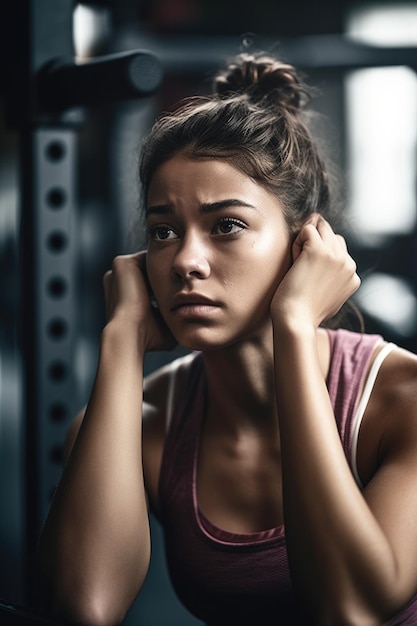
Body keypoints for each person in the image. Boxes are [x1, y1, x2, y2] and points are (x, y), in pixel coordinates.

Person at [38, 52, 417, 626]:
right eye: (163, 231)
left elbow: (352, 609)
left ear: (304, 244)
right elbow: (84, 606)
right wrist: (121, 339)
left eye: (227, 225)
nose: (185, 260)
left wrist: (293, 325)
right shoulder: (143, 426)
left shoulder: (404, 403)